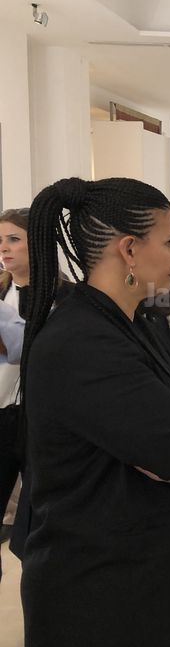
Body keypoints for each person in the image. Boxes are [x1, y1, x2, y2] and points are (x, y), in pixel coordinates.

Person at [19, 177, 170, 647]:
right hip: (108, 601)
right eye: (167, 241)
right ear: (129, 250)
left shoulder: (141, 322)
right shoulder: (82, 342)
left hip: (163, 585)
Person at [0, 208, 30, 551]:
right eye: (0, 241)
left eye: (13, 239)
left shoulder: (64, 296)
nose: (4, 248)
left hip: (39, 415)